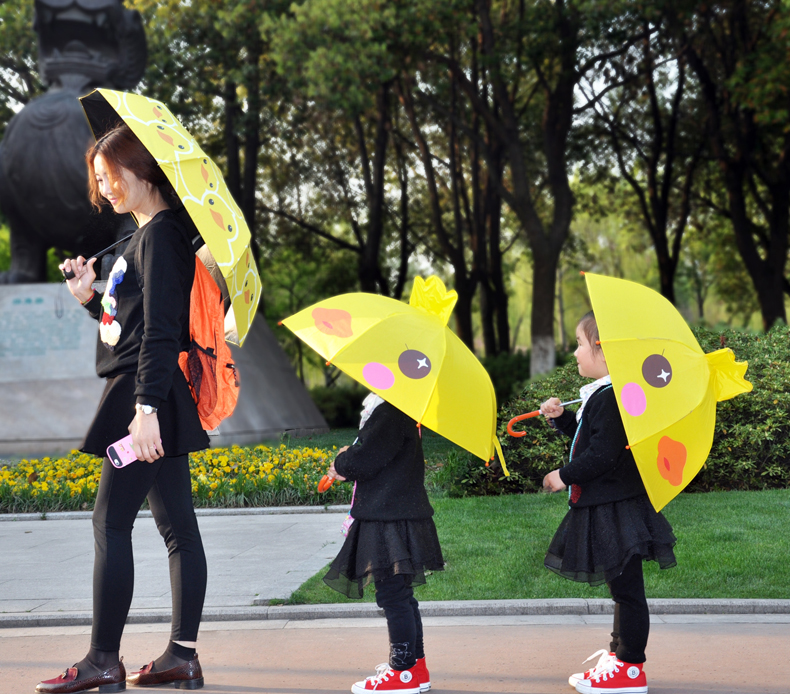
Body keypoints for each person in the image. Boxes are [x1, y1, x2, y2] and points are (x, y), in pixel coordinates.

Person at [36, 125, 209, 693]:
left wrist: (146, 409)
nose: (106, 188)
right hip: (148, 392)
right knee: (176, 527)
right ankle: (181, 657)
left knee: (109, 521)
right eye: (100, 180)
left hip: (145, 397)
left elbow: (161, 334)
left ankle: (102, 660)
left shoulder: (160, 237)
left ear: (145, 170)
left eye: (114, 176)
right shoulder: (137, 238)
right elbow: (128, 329)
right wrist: (90, 299)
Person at [539, 311, 677, 694]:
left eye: (580, 344)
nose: (574, 352)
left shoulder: (614, 396)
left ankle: (631, 668)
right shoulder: (603, 395)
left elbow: (602, 456)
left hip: (617, 508)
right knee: (621, 588)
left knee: (628, 590)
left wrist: (561, 476)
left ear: (602, 349)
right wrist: (563, 419)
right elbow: (592, 438)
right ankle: (620, 658)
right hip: (610, 505)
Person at [323, 393, 445, 694]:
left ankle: (402, 672)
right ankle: (414, 666)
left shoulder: (390, 412)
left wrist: (343, 461)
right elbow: (375, 455)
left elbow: (366, 460)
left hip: (388, 519)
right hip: (396, 514)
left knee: (393, 595)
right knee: (401, 594)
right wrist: (350, 457)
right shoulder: (400, 409)